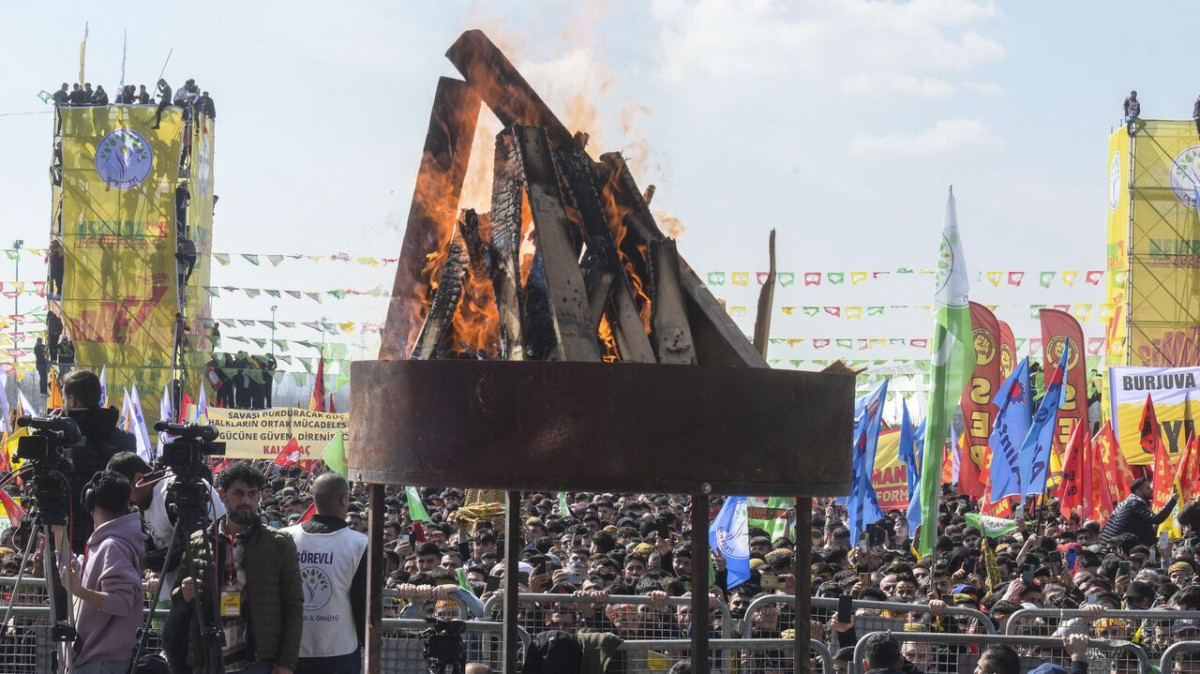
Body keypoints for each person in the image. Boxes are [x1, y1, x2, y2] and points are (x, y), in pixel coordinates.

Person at [176, 461, 303, 673]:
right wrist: (184, 592)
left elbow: (294, 605)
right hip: (208, 657)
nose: (246, 501)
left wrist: (286, 662)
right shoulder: (199, 541)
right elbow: (178, 599)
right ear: (222, 494)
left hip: (255, 660)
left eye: (252, 494)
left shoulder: (278, 543)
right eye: (239, 493)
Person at [106, 451, 225, 674]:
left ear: (139, 478)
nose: (125, 499)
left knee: (183, 645)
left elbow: (190, 549)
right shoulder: (147, 501)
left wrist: (143, 560)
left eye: (125, 490)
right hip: (181, 591)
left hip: (207, 584)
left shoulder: (173, 492)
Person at [60, 470, 146, 674]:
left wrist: (78, 590)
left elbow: (122, 602)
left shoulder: (113, 545)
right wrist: (57, 536)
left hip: (100, 663)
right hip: (94, 659)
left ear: (91, 501)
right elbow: (82, 574)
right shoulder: (108, 541)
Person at [283, 473, 367, 674]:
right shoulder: (360, 544)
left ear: (313, 500)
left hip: (291, 650)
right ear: (344, 499)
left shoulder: (285, 537)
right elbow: (363, 602)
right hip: (340, 652)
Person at [62, 369, 139, 555]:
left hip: (68, 532)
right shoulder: (126, 440)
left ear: (72, 400)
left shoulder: (61, 438)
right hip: (116, 532)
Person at [1101, 477, 1178, 547]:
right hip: (1117, 548)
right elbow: (1157, 519)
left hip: (1113, 547)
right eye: (1148, 488)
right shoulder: (1135, 503)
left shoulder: (1128, 502)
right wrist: (1172, 501)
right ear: (1138, 492)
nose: (1151, 490)